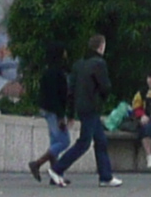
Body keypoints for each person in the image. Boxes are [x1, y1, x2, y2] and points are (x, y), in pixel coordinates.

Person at [45, 34, 118, 186]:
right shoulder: (99, 63)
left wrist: (71, 113)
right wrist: (101, 99)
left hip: (82, 107)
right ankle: (57, 169)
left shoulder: (79, 64)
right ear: (101, 47)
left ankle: (106, 176)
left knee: (101, 140)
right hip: (92, 107)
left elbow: (71, 90)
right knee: (84, 143)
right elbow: (105, 87)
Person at [25, 40, 74, 181]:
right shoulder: (57, 72)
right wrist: (60, 116)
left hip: (47, 109)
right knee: (64, 141)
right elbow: (57, 96)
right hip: (54, 111)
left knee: (55, 141)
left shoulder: (48, 71)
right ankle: (37, 163)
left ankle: (56, 175)